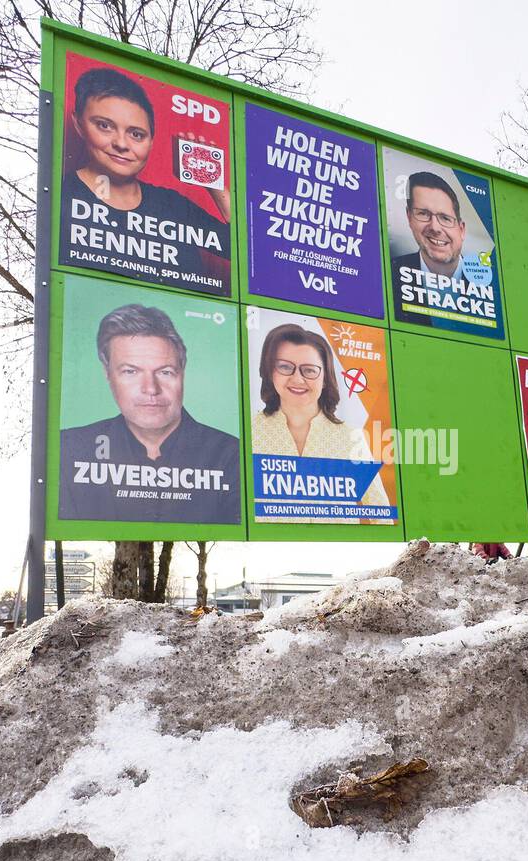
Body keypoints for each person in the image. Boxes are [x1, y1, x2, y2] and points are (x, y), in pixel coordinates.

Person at [59, 304, 240, 524]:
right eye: (130, 371)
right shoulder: (69, 449)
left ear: (182, 373)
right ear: (107, 373)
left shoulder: (232, 455)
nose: (151, 389)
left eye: (165, 372)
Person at [60, 65, 231, 294]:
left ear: (151, 140)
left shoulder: (173, 206)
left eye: (136, 134)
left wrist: (214, 185)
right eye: (104, 126)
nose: (121, 144)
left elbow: (247, 256)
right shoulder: (62, 196)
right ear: (79, 124)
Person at [251, 323, 389, 523]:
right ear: (270, 372)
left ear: (325, 378)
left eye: (309, 370)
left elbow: (381, 513)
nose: (297, 378)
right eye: (284, 367)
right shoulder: (247, 433)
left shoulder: (349, 437)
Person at [389, 171, 467, 327]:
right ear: (409, 217)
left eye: (445, 218)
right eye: (423, 214)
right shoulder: (389, 274)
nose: (435, 227)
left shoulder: (489, 285)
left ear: (461, 229)